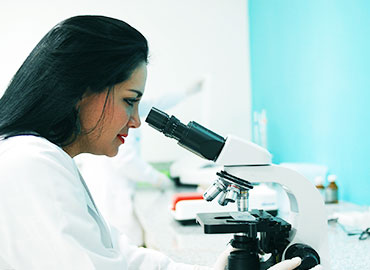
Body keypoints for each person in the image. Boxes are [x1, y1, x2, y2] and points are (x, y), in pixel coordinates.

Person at [0, 15, 321, 270]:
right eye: (129, 100)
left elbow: (121, 259)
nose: (136, 120)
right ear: (82, 91)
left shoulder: (42, 158)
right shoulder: (31, 163)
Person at [74, 82, 203, 247]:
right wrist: (158, 179)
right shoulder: (119, 121)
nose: (136, 120)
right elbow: (126, 161)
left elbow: (156, 103)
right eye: (130, 100)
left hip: (111, 196)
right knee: (125, 244)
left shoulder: (123, 112)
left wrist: (185, 93)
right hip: (114, 199)